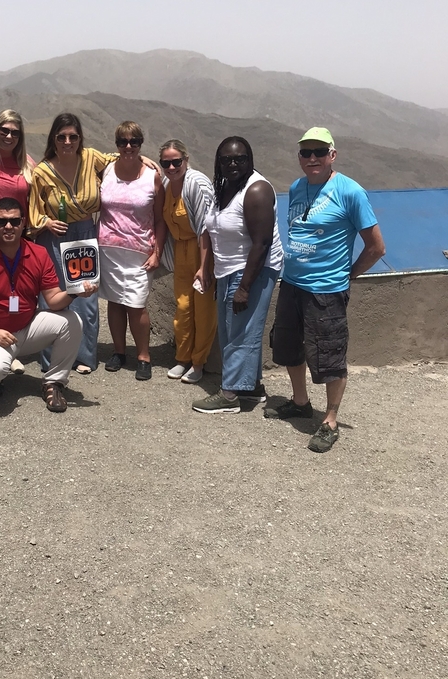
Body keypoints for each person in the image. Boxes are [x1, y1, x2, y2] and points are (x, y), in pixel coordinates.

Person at [265, 127, 385, 452]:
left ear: (333, 154)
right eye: (306, 152)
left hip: (326, 291)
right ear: (300, 157)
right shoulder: (296, 187)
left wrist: (349, 275)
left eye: (320, 152)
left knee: (329, 355)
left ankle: (330, 420)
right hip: (292, 284)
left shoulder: (351, 192)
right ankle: (300, 401)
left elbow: (376, 247)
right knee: (288, 346)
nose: (313, 158)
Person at [29, 112, 159, 373]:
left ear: (80, 139)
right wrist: (45, 222)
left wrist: (144, 157)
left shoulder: (90, 158)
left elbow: (121, 157)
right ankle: (52, 358)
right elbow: (33, 208)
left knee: (85, 297)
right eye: (62, 136)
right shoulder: (43, 171)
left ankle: (84, 356)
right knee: (52, 297)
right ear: (53, 139)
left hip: (86, 233)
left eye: (73, 136)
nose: (68, 142)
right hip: (54, 236)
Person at [0, 198, 97, 412]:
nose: (8, 226)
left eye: (14, 221)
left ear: (23, 223)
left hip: (27, 327)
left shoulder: (38, 253)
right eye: (2, 222)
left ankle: (53, 383)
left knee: (72, 320)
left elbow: (54, 301)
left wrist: (74, 292)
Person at [192, 136, 284, 414]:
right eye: (226, 159)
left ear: (250, 160)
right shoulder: (225, 186)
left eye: (239, 159)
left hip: (253, 270)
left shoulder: (256, 190)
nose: (232, 164)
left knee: (241, 332)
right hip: (228, 269)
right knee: (233, 328)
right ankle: (251, 387)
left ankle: (230, 395)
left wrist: (245, 287)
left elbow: (262, 243)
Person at [98, 122, 166, 380]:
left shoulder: (152, 175)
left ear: (140, 144)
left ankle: (143, 356)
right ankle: (118, 351)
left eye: (134, 142)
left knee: (136, 304)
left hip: (139, 250)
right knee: (115, 302)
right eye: (122, 142)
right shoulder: (105, 170)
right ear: (116, 144)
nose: (128, 146)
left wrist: (157, 252)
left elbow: (160, 219)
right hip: (108, 248)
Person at [159, 139, 217, 385]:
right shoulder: (166, 183)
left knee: (203, 310)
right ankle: (182, 358)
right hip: (180, 251)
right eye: (166, 163)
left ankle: (198, 362)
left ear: (186, 160)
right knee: (183, 308)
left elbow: (206, 228)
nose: (171, 168)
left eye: (176, 162)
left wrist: (205, 267)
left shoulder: (197, 184)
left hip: (202, 250)